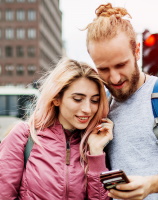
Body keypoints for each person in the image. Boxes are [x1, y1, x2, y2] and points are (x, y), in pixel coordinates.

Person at [84, 3, 158, 200]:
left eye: (121, 65)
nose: (114, 78)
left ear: (137, 51)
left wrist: (151, 185)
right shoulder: (101, 108)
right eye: (103, 69)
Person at [0, 57, 113, 200]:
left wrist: (96, 153)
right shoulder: (24, 136)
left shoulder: (96, 143)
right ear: (56, 98)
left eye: (94, 100)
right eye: (77, 99)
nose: (87, 109)